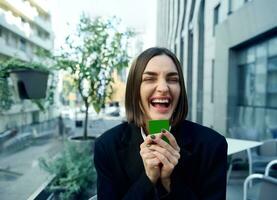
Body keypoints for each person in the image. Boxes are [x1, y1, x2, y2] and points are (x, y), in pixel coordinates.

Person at [94, 47, 228, 199]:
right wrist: (148, 179)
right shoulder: (107, 147)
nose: (164, 88)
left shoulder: (212, 145)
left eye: (172, 79)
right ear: (135, 89)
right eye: (150, 78)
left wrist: (169, 181)